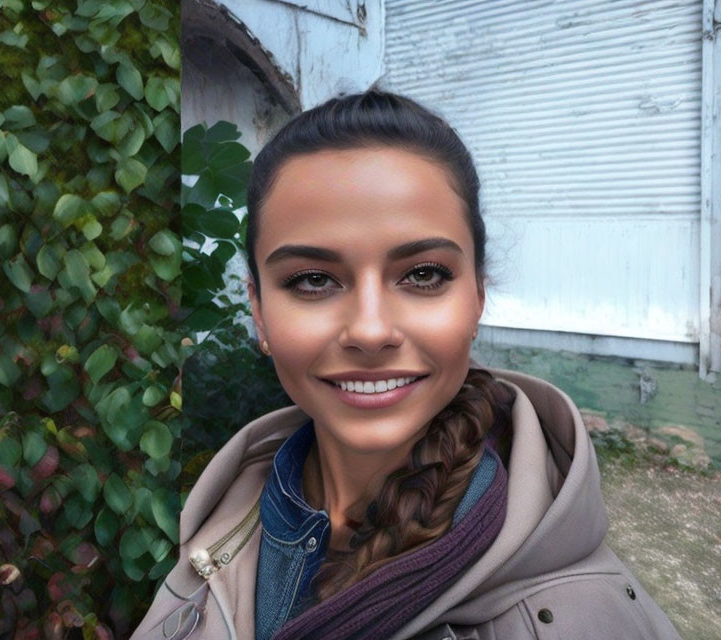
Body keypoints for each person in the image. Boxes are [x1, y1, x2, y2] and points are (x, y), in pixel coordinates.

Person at [131, 90, 682, 640]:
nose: (370, 331)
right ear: (259, 312)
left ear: (477, 299)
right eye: (312, 279)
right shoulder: (217, 521)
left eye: (423, 274)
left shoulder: (590, 620)